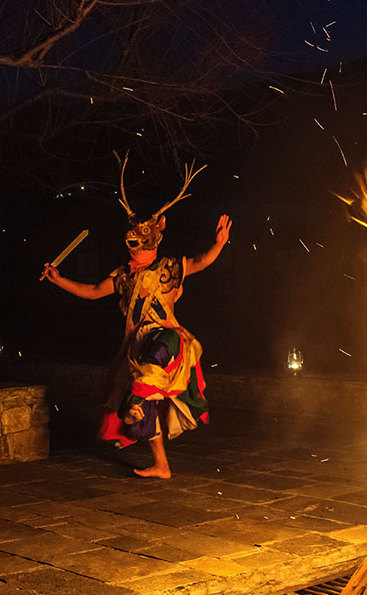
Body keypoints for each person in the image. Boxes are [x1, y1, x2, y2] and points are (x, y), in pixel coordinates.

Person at [42, 162, 230, 479]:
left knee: (154, 357)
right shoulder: (123, 275)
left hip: (166, 339)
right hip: (134, 348)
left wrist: (219, 244)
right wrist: (59, 280)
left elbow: (199, 262)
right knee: (141, 412)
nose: (135, 245)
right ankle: (161, 464)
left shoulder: (169, 266)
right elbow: (91, 291)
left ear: (153, 241)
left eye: (141, 240)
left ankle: (136, 400)